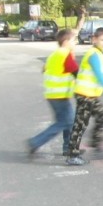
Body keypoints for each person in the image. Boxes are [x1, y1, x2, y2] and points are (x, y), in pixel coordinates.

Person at [66, 27, 103, 166]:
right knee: (81, 124)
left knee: (100, 116)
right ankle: (73, 154)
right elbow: (99, 75)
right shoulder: (93, 54)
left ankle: (93, 145)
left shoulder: (98, 54)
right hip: (84, 94)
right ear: (94, 39)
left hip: (89, 94)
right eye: (102, 40)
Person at [27, 28, 79, 157]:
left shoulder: (54, 54)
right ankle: (36, 142)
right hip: (60, 95)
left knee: (68, 121)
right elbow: (76, 72)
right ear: (66, 41)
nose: (76, 43)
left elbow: (44, 69)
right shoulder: (65, 54)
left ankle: (68, 147)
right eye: (74, 40)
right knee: (65, 122)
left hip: (52, 94)